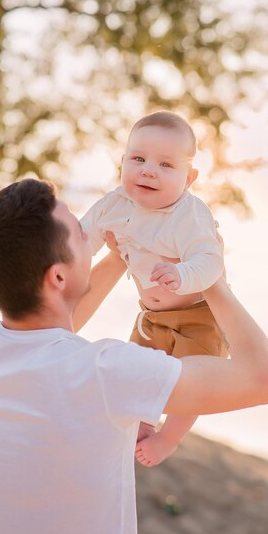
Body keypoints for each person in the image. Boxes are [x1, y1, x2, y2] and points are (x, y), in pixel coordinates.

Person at [0, 178, 268, 534]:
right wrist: (212, 278)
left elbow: (51, 329)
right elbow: (266, 380)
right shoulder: (106, 372)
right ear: (58, 275)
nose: (91, 232)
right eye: (80, 234)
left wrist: (121, 254)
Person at [81, 111, 228, 466]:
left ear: (189, 178)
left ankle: (168, 438)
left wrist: (183, 274)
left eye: (165, 165)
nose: (148, 170)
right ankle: (144, 424)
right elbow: (81, 241)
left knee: (193, 384)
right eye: (139, 159)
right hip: (152, 316)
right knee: (140, 373)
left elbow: (211, 260)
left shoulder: (190, 217)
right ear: (123, 162)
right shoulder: (114, 206)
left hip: (199, 315)